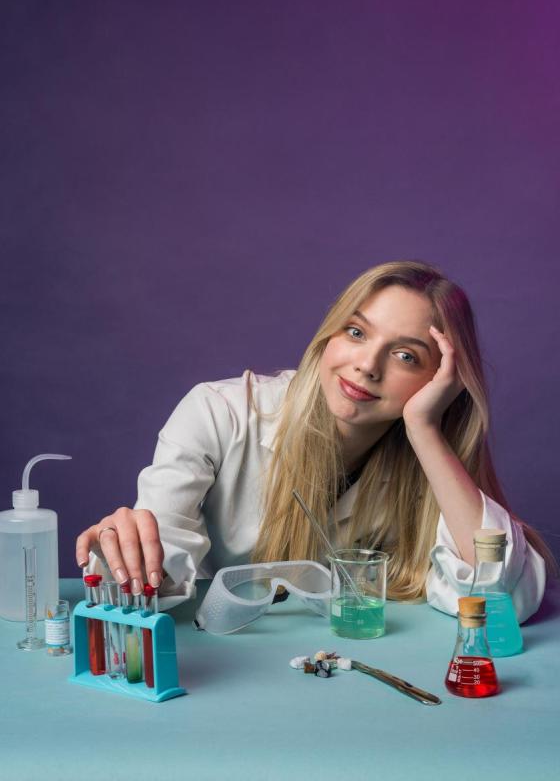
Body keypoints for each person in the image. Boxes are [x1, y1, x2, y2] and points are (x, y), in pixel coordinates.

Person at [76, 261, 554, 620]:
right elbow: (160, 577)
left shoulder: (426, 461)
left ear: (442, 381)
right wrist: (129, 555)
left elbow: (500, 600)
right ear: (329, 336)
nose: (368, 365)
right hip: (232, 670)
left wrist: (427, 431)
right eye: (356, 332)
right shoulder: (218, 413)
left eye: (406, 355)